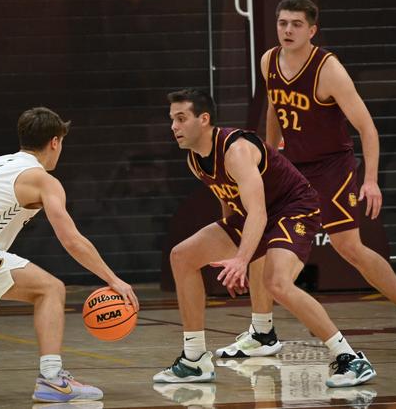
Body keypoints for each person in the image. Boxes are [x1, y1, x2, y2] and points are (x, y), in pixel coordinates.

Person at [216, 0, 396, 359]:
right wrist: (269, 157)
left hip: (332, 167)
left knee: (348, 247)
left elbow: (367, 128)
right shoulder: (269, 61)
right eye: (282, 23)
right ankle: (261, 332)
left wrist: (370, 180)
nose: (288, 30)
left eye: (296, 24)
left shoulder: (328, 69)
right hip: (293, 168)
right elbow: (275, 108)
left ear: (312, 30)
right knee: (259, 240)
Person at [0, 107, 140, 403]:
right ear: (55, 142)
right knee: (51, 289)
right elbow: (71, 240)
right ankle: (53, 378)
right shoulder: (44, 180)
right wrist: (113, 279)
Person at [154, 89, 375, 388]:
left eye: (181, 119)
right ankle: (194, 360)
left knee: (278, 283)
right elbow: (231, 205)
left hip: (292, 208)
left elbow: (258, 214)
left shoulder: (237, 150)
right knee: (181, 256)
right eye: (172, 120)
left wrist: (241, 259)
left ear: (203, 120)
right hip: (253, 215)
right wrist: (234, 244)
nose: (174, 127)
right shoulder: (196, 160)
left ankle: (350, 358)